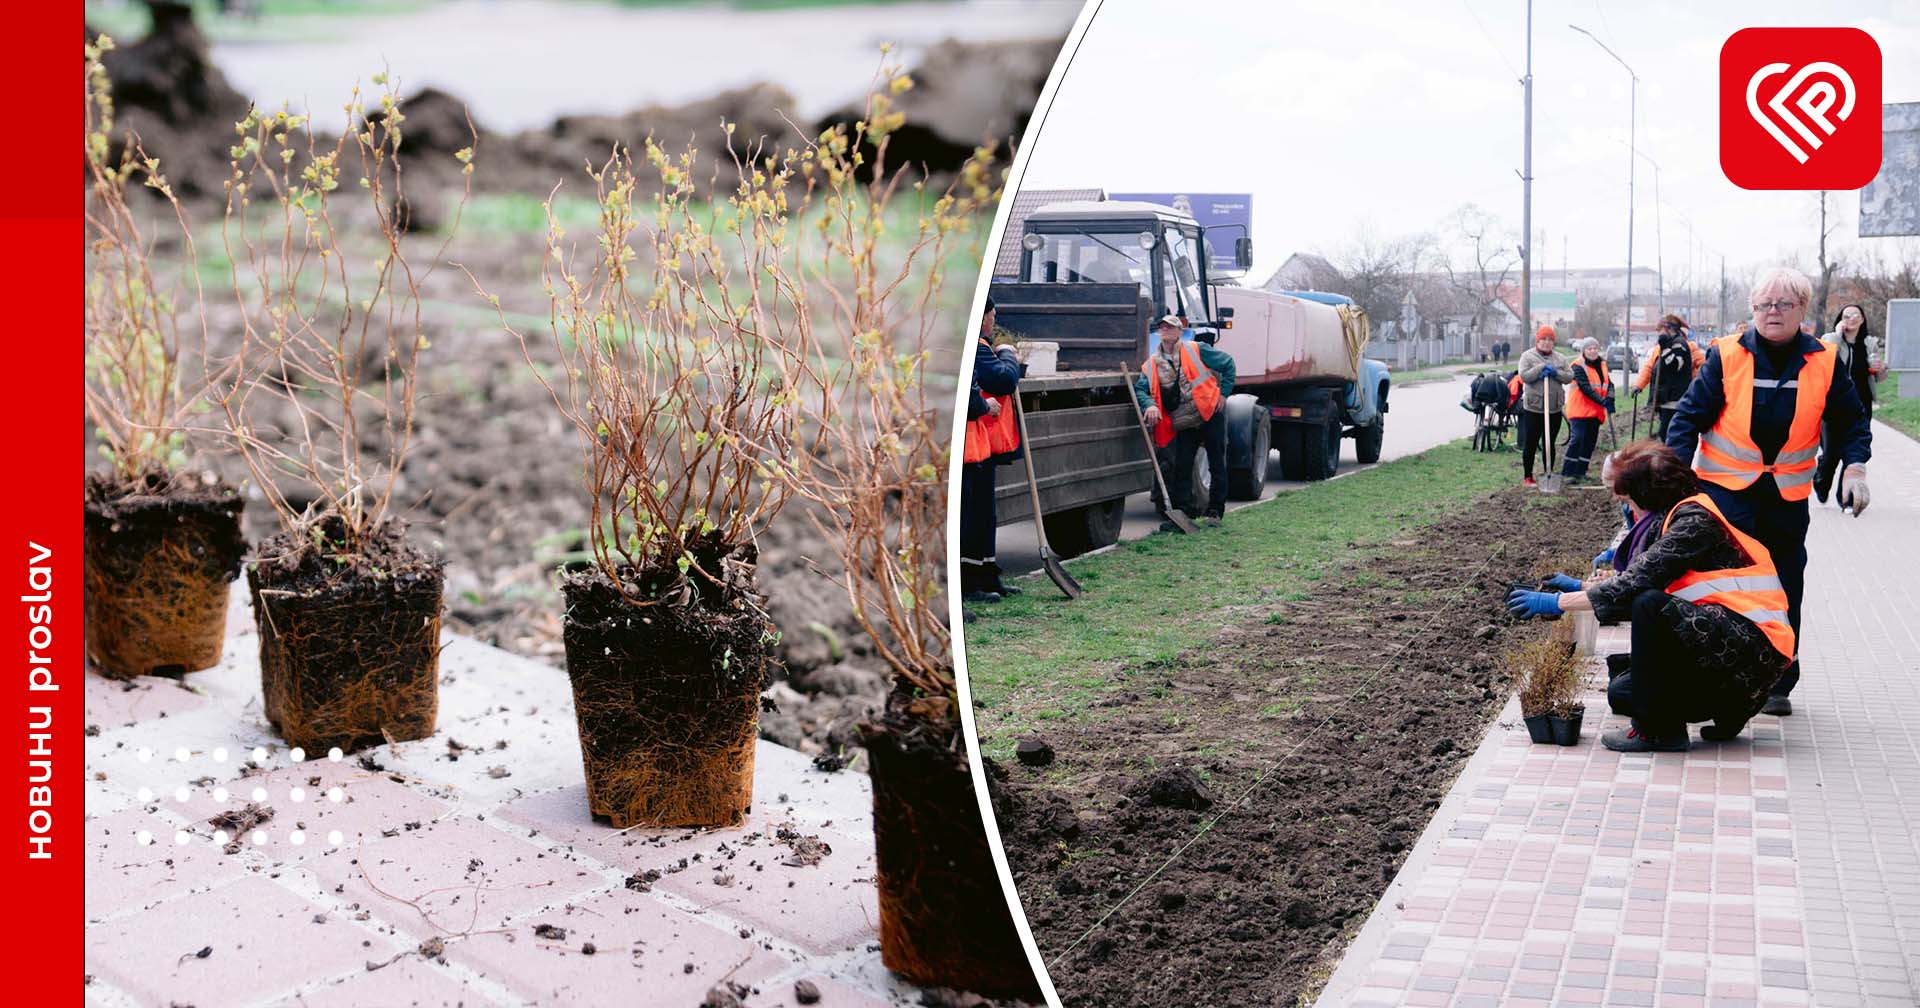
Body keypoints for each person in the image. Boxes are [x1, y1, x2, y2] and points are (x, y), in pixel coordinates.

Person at [1666, 267, 1873, 716]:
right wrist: (1673, 476)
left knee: (1783, 586)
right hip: (1725, 496)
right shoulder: (1726, 355)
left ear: (1802, 308)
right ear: (1753, 310)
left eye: (1782, 304)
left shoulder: (1823, 361)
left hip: (1785, 501)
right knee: (1720, 585)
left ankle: (1776, 682)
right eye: (1763, 305)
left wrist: (1854, 469)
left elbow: (1852, 422)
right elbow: (1687, 419)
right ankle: (1716, 674)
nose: (1771, 312)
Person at [1504, 440, 1795, 751]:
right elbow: (1644, 581)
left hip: (1752, 653)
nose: (1628, 509)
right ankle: (1730, 710)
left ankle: (1657, 731)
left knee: (1649, 604)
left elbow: (1635, 587)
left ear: (1647, 494)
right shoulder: (1682, 514)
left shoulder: (1693, 524)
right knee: (1623, 692)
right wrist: (1580, 588)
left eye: (1629, 501)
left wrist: (1555, 603)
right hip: (1738, 650)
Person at [1135, 313, 1236, 527]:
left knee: (1217, 464)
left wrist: (1224, 394)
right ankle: (1185, 514)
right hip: (1184, 422)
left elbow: (1228, 364)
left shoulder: (1196, 348)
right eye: (1162, 328)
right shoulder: (1151, 364)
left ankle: (1215, 512)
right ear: (1158, 332)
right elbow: (1141, 390)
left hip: (1209, 414)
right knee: (1181, 466)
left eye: (1171, 327)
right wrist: (1150, 405)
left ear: (1179, 331)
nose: (1166, 331)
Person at [959, 297, 1023, 603]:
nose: (992, 322)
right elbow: (1004, 379)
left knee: (984, 517)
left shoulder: (980, 348)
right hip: (971, 449)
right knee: (972, 519)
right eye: (991, 316)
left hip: (981, 447)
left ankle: (987, 577)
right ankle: (971, 585)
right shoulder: (979, 350)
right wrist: (1009, 354)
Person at [1814, 303, 1884, 504]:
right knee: (1830, 453)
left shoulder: (1869, 344)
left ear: (1862, 319)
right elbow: (1825, 358)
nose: (1851, 318)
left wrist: (1880, 369)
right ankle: (1821, 481)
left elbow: (1877, 375)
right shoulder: (1831, 339)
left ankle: (1844, 497)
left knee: (1853, 450)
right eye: (1846, 314)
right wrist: (1837, 334)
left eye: (1856, 315)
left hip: (1862, 403)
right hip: (1834, 405)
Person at [1632, 314, 1705, 441]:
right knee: (1665, 433)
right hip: (1665, 400)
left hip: (1674, 400)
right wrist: (1639, 385)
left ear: (1668, 329)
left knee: (1670, 435)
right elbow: (1650, 368)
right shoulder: (1662, 347)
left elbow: (1677, 366)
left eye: (1660, 331)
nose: (1658, 335)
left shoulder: (1680, 345)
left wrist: (1695, 384)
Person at [1516, 325, 1570, 486]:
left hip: (1554, 408)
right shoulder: (1527, 356)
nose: (1547, 342)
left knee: (1549, 442)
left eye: (1550, 339)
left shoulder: (1560, 358)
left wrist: (1555, 373)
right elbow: (1524, 376)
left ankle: (1549, 473)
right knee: (1531, 442)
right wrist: (1540, 368)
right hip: (1534, 408)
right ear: (1537, 340)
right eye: (1543, 339)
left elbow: (1569, 376)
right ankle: (1528, 476)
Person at [1561, 337, 1613, 481]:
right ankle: (1567, 473)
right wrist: (1603, 401)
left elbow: (1609, 384)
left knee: (1589, 442)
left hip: (1595, 412)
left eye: (1595, 348)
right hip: (1579, 410)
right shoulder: (1577, 366)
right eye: (1589, 348)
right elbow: (1586, 388)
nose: (1592, 351)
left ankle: (1581, 472)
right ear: (1584, 350)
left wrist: (1611, 398)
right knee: (1577, 439)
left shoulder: (1602, 365)